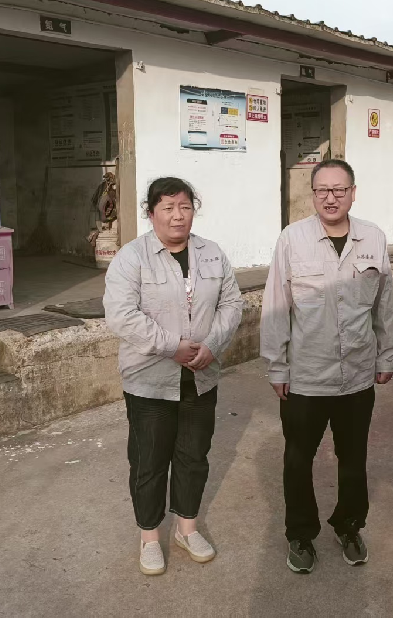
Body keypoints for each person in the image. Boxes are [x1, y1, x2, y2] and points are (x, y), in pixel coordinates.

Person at [260, 158, 393, 574]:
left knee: (353, 459)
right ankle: (300, 534)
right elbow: (276, 305)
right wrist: (277, 366)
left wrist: (386, 354)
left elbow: (384, 305)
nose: (331, 198)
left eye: (340, 189)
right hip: (306, 375)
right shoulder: (292, 239)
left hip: (357, 374)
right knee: (298, 460)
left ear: (353, 193)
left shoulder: (373, 238)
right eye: (323, 190)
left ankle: (349, 525)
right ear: (313, 194)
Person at [103, 177, 243, 576]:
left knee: (193, 456)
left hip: (201, 375)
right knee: (149, 461)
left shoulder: (212, 254)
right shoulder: (131, 258)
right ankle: (150, 537)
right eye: (167, 208)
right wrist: (172, 346)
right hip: (149, 380)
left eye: (184, 206)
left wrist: (211, 345)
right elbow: (121, 315)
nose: (177, 216)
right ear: (151, 214)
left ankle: (186, 529)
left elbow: (232, 303)